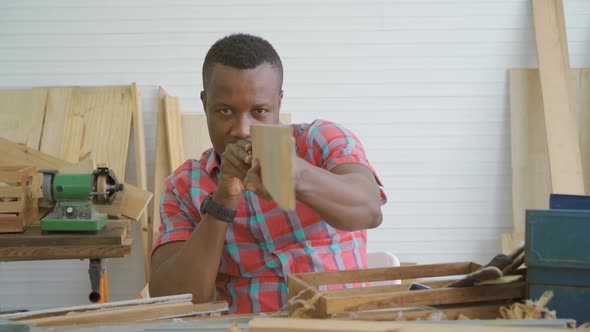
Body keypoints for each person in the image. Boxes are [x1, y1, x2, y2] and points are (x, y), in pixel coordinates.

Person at [149, 33, 386, 314]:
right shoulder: (183, 186)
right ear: (204, 104)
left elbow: (369, 210)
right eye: (225, 111)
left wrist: (294, 174)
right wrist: (223, 200)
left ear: (279, 102)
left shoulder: (320, 142)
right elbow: (174, 301)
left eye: (260, 111)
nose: (242, 129)